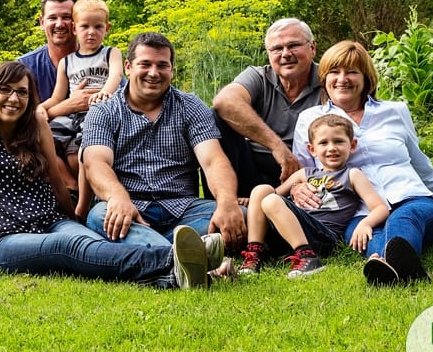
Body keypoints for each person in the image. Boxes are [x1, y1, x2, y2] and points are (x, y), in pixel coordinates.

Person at [0, 61, 221, 289]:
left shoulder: (36, 123)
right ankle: (181, 257)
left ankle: (175, 277)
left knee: (93, 246)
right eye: (5, 90)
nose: (14, 99)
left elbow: (54, 178)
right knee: (69, 246)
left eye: (22, 92)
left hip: (51, 220)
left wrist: (74, 216)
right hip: (3, 237)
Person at [291, 40, 433, 286]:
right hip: (357, 211)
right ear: (324, 78)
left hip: (412, 197)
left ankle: (385, 263)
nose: (342, 79)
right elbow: (304, 170)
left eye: (352, 72)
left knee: (403, 220)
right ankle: (401, 267)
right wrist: (295, 189)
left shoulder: (395, 111)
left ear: (366, 78)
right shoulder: (310, 119)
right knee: (365, 235)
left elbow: (420, 162)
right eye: (334, 72)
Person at [81, 32, 247, 253]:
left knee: (243, 214)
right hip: (129, 207)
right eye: (145, 64)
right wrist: (117, 196)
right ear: (128, 67)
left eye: (162, 65)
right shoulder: (104, 111)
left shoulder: (190, 106)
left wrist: (227, 202)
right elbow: (96, 164)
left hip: (184, 210)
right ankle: (184, 254)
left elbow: (213, 160)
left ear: (171, 70)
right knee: (100, 216)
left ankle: (158, 252)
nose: (153, 73)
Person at [238, 114, 388, 278]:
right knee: (261, 190)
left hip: (322, 236)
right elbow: (270, 195)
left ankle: (307, 257)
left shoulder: (352, 175)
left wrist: (365, 223)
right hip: (287, 234)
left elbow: (380, 208)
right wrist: (251, 200)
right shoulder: (305, 174)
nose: (331, 148)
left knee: (271, 200)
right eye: (323, 143)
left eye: (338, 141)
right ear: (312, 149)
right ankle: (255, 253)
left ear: (352, 145)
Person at [212, 18, 321, 198]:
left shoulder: (329, 80)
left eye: (293, 45)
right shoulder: (259, 76)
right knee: (216, 119)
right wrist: (277, 147)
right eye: (277, 48)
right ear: (269, 54)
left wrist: (299, 180)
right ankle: (224, 206)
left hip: (309, 175)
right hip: (254, 170)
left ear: (312, 48)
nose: (286, 54)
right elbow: (224, 101)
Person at [38, 0, 123, 203]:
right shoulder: (67, 62)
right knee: (39, 137)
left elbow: (116, 76)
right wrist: (41, 108)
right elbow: (58, 96)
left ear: (107, 28)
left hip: (98, 112)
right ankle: (70, 187)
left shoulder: (111, 53)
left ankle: (85, 203)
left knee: (79, 156)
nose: (91, 32)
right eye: (85, 26)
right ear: (75, 29)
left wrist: (105, 92)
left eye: (98, 26)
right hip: (71, 115)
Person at [18, 0, 98, 118]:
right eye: (52, 18)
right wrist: (68, 106)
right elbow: (13, 120)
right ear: (42, 22)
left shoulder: (101, 59)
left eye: (66, 17)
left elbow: (125, 104)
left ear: (76, 23)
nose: (59, 24)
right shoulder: (23, 67)